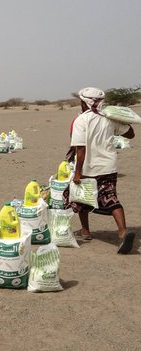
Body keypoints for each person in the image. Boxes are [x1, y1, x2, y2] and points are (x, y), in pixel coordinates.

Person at [65, 87, 136, 254]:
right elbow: (131, 134)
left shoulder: (81, 121)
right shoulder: (109, 118)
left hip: (88, 168)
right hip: (108, 166)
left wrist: (77, 173)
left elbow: (80, 149)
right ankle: (122, 231)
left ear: (85, 103)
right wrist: (121, 120)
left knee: (80, 198)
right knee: (111, 198)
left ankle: (86, 231)